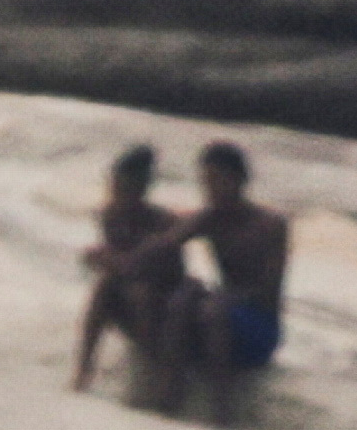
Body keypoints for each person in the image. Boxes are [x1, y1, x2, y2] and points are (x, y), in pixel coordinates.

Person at [70, 143, 199, 400]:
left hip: (166, 298)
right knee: (105, 287)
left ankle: (154, 378)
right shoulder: (109, 216)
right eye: (116, 184)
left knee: (140, 292)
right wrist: (105, 260)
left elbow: (155, 269)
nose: (118, 192)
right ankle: (84, 368)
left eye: (126, 186)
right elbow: (118, 264)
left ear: (142, 188)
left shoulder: (162, 221)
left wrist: (110, 260)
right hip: (129, 289)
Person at [186, 141, 290, 414]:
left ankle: (222, 410)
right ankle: (164, 396)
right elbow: (166, 242)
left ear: (240, 180)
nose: (210, 189)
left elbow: (269, 292)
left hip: (260, 327)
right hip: (224, 310)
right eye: (205, 182)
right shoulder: (210, 218)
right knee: (181, 300)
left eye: (218, 180)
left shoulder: (271, 225)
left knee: (214, 310)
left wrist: (222, 297)